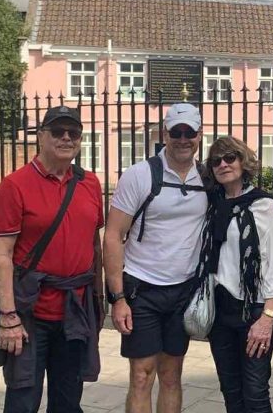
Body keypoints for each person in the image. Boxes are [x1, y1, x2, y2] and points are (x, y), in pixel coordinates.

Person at [0, 106, 104, 413]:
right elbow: (1, 255)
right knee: (22, 400)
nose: (66, 138)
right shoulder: (15, 185)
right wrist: (8, 317)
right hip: (29, 314)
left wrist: (99, 301)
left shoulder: (90, 183)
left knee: (68, 401)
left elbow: (94, 245)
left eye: (74, 133)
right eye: (57, 131)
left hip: (74, 312)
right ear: (41, 136)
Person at [103, 103, 208, 413]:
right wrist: (118, 297)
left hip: (183, 290)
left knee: (172, 376)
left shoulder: (207, 177)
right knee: (141, 375)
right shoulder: (140, 175)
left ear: (199, 135)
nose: (183, 139)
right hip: (143, 288)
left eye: (189, 132)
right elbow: (113, 235)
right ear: (166, 134)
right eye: (177, 132)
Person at [201, 136, 273, 413]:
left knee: (255, 393)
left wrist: (267, 317)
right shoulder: (212, 205)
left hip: (255, 309)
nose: (223, 165)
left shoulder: (264, 205)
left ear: (243, 161)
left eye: (230, 158)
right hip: (221, 308)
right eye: (216, 161)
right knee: (231, 391)